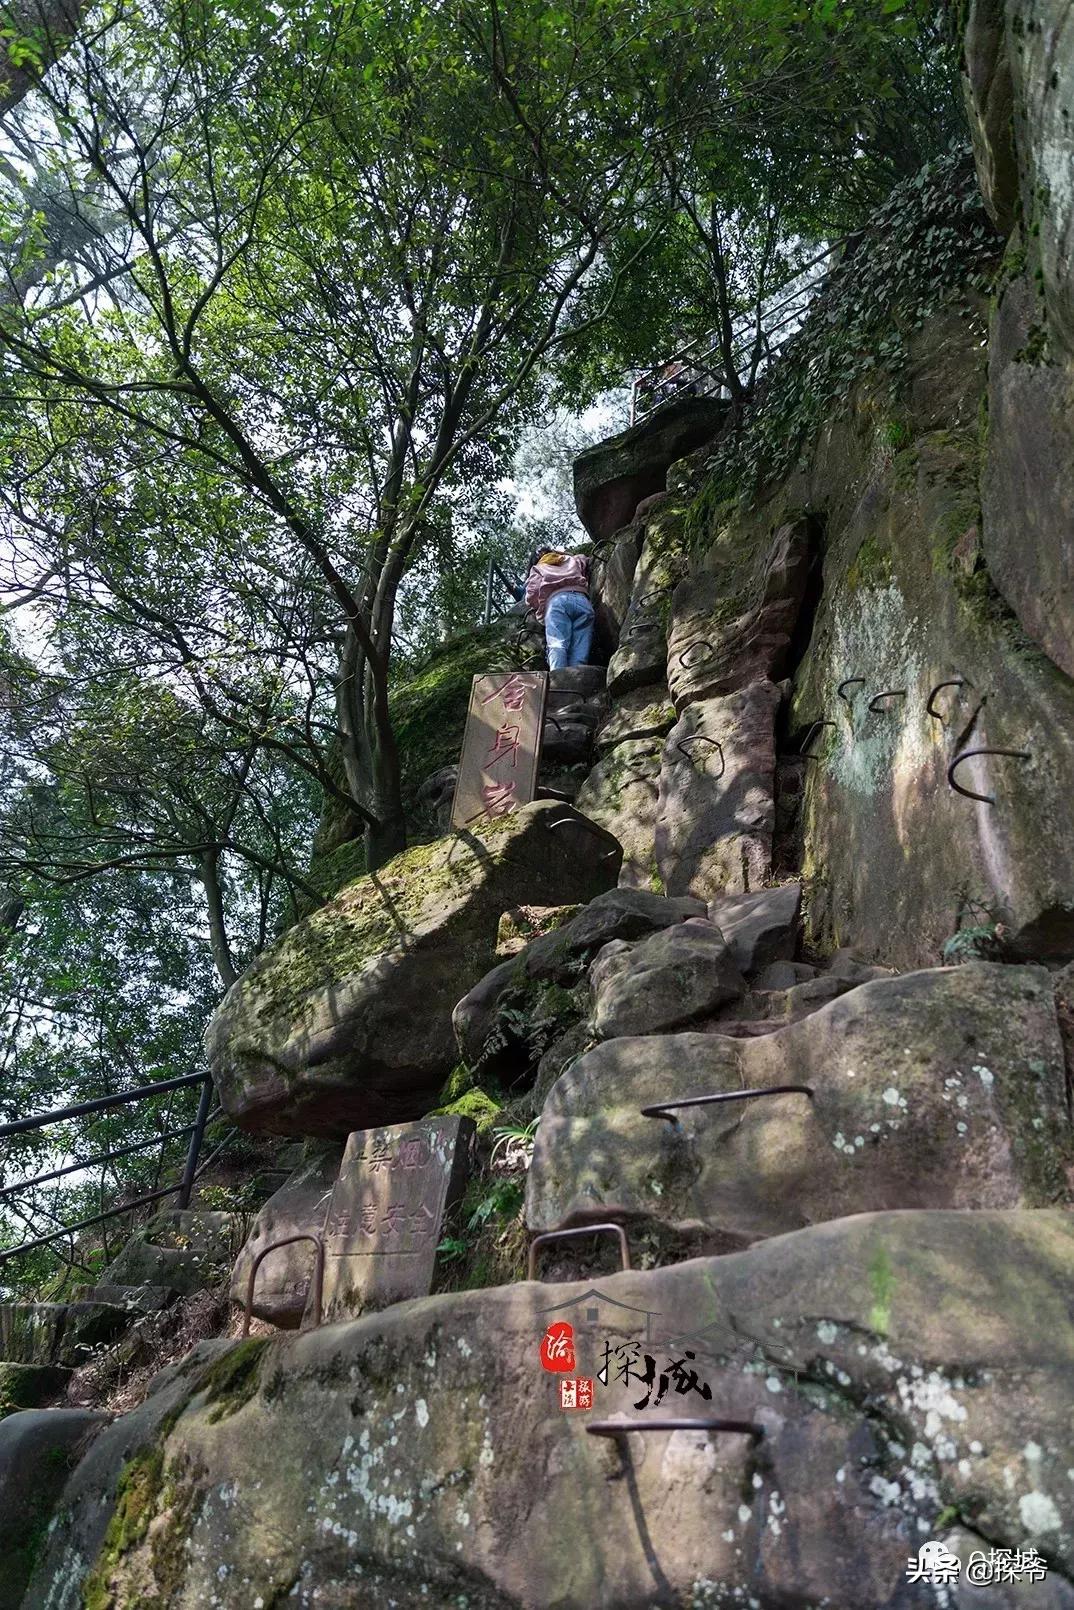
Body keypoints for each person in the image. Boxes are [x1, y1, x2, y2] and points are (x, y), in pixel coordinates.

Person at [523, 549, 595, 671]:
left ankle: (558, 681)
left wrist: (537, 605)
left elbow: (532, 593)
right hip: (583, 601)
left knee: (557, 645)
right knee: (580, 649)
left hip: (557, 602)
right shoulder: (571, 560)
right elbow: (584, 559)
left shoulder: (538, 568)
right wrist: (563, 554)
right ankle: (576, 682)